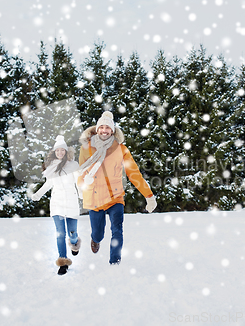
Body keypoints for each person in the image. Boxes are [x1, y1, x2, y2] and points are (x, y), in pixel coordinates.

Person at [77, 111, 157, 265]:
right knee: (98, 233)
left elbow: (134, 174)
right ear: (97, 129)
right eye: (102, 127)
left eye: (108, 128)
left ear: (112, 131)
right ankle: (95, 239)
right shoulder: (87, 148)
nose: (104, 130)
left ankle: (115, 262)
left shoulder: (121, 149)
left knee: (117, 230)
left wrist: (149, 195)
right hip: (95, 198)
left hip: (115, 197)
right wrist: (81, 187)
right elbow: (81, 171)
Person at [32, 135, 82, 275]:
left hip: (71, 203)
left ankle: (75, 243)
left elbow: (78, 181)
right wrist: (38, 194)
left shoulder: (73, 165)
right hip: (57, 204)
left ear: (66, 152)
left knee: (72, 234)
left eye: (62, 150)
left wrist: (81, 194)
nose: (60, 153)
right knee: (60, 234)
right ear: (54, 152)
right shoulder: (51, 167)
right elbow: (48, 184)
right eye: (58, 150)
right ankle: (63, 262)